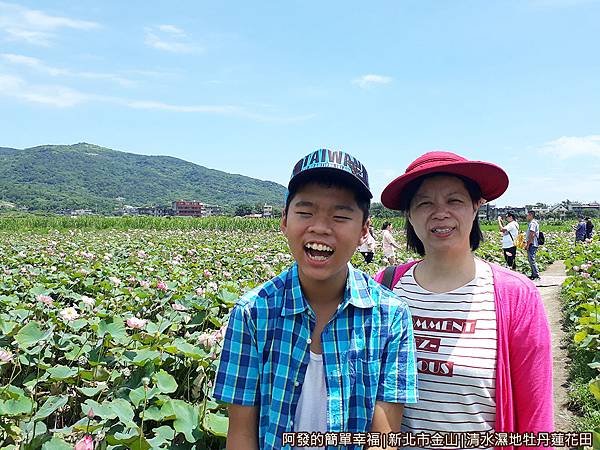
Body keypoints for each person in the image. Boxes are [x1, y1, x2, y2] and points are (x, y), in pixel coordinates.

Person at [214, 149, 418, 450]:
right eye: (305, 212)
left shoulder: (390, 317)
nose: (320, 227)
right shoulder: (252, 313)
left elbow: (384, 438)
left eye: (340, 216)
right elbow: (241, 434)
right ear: (284, 220)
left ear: (364, 230)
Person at [375, 151, 553, 442]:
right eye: (424, 202)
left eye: (454, 200)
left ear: (476, 206)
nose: (440, 212)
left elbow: (536, 418)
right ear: (409, 213)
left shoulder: (516, 296)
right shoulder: (385, 286)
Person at [525, 210, 541, 280]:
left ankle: (536, 275)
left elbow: (532, 234)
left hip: (532, 243)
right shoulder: (532, 223)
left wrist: (528, 244)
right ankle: (533, 274)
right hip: (532, 243)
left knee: (532, 259)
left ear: (531, 215)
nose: (526, 216)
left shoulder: (533, 223)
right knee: (530, 259)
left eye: (527, 215)